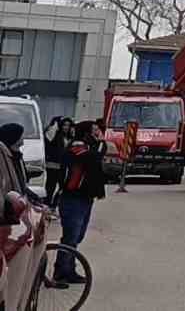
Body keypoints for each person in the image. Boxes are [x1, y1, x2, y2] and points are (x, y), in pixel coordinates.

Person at [52, 120, 106, 286]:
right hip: (73, 199)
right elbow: (95, 157)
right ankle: (61, 272)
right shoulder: (77, 149)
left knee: (76, 237)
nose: (97, 133)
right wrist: (100, 143)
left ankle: (69, 269)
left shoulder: (86, 149)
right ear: (86, 133)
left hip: (84, 199)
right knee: (71, 237)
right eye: (94, 131)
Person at [0, 123, 41, 206]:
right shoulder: (2, 156)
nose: (23, 138)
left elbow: (21, 182)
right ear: (13, 137)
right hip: (7, 207)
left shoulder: (17, 155)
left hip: (18, 205)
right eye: (21, 135)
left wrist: (31, 195)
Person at [43, 116, 71, 204]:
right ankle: (47, 203)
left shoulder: (69, 137)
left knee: (63, 186)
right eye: (64, 125)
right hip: (52, 164)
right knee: (50, 186)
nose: (66, 127)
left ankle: (54, 203)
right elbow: (47, 137)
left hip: (63, 165)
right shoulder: (54, 134)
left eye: (68, 125)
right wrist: (55, 122)